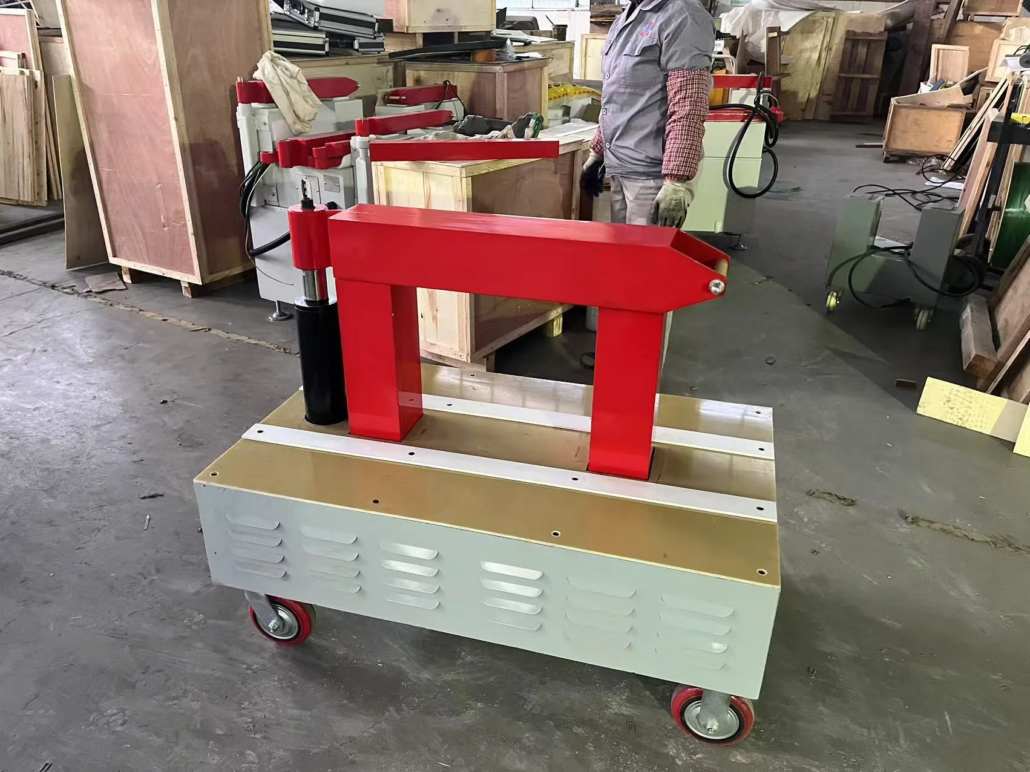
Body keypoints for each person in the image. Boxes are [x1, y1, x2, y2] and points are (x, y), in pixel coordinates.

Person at [581, 0, 715, 230]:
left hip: (653, 175)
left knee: (646, 252)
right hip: (620, 166)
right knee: (623, 250)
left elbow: (688, 105)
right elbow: (619, 97)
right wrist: (598, 152)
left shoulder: (684, 17)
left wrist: (676, 181)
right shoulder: (628, 16)